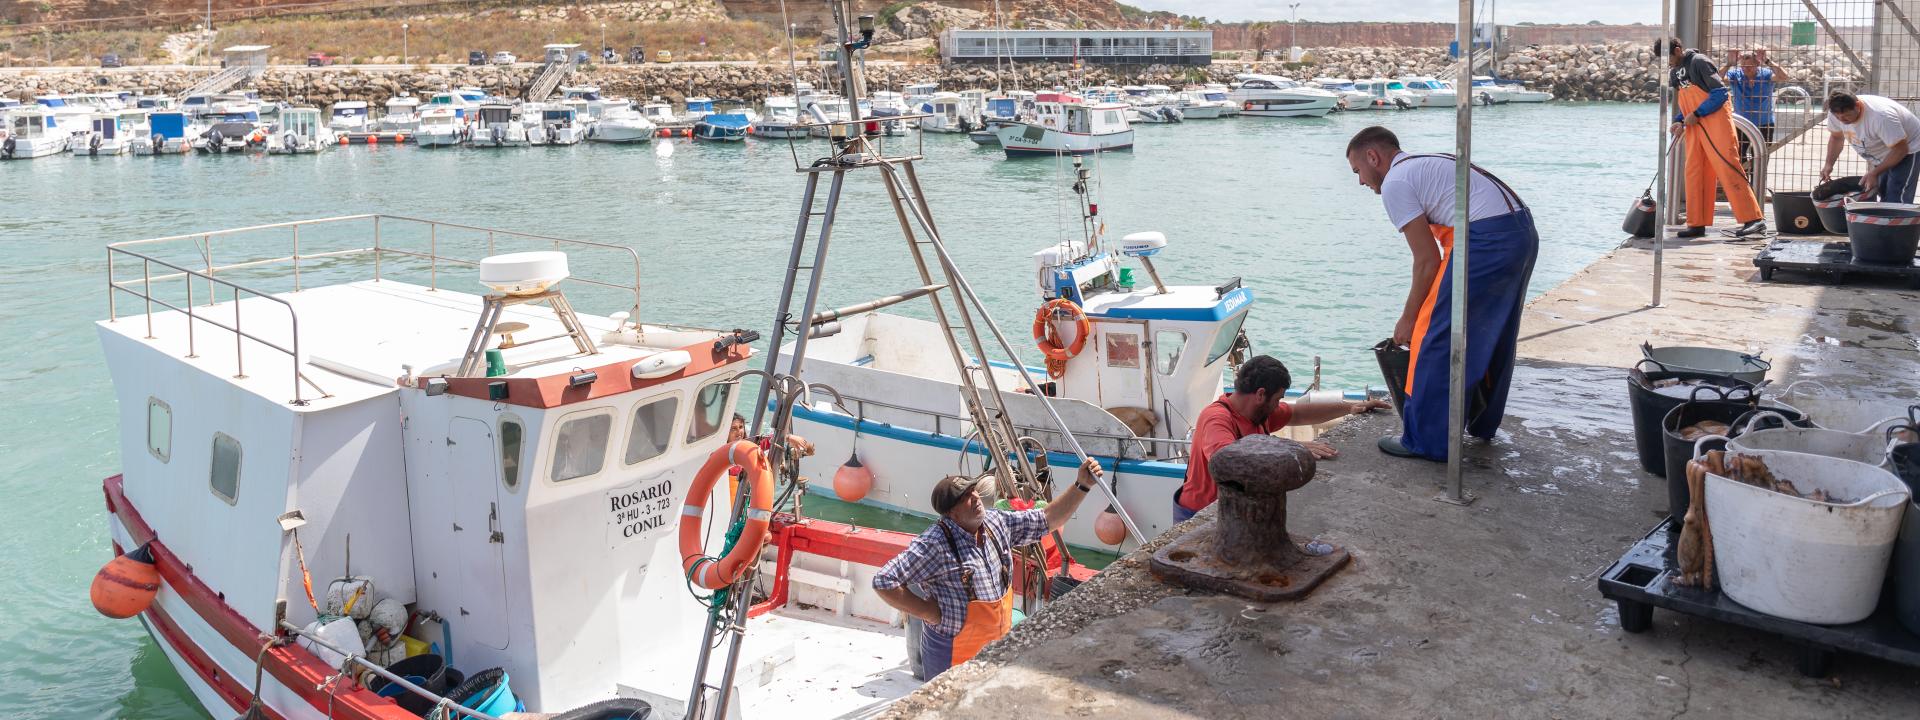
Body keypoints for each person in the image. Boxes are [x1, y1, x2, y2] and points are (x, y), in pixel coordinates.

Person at [1344, 126, 1540, 462]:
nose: (1361, 181)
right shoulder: (1424, 163)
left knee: (1435, 337)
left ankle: (1426, 442)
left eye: (1358, 170)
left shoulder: (1396, 182)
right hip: (1520, 232)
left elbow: (1426, 261)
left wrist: (1408, 318)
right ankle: (1480, 422)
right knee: (1491, 335)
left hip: (1485, 241)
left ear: (1373, 157)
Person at [872, 458, 1104, 679]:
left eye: (973, 490)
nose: (975, 497)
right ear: (951, 513)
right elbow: (884, 581)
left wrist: (1082, 485)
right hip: (952, 654)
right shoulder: (934, 544)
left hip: (996, 647)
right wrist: (928, 613)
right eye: (964, 497)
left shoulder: (997, 522)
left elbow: (1048, 518)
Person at [1173, 355, 1387, 523]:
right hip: (1199, 512)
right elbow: (1227, 462)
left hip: (1237, 507)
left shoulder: (1259, 412)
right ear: (1260, 395)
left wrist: (1349, 408)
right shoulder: (1216, 419)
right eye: (1278, 399)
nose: (1278, 405)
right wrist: (1292, 448)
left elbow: (1298, 414)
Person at [1660, 37, 1767, 238]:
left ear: (1676, 50)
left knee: (1728, 166)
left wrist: (1698, 113)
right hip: (1695, 126)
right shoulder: (1675, 73)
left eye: (1667, 57)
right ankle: (1696, 223)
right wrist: (1679, 120)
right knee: (1694, 171)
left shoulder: (1699, 62)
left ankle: (1754, 219)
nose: (1667, 62)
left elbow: (1720, 93)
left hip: (1716, 121)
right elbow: (1686, 102)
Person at [1820, 91, 1920, 204]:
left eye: (1847, 115)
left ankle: (1899, 218)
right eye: (1838, 117)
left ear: (1857, 106)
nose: (1842, 120)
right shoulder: (1836, 113)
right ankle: (1882, 219)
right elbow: (1836, 138)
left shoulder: (1881, 117)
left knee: (1896, 197)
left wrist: (1874, 173)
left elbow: (1901, 149)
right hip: (1883, 150)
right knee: (1883, 191)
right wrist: (1829, 164)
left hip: (1908, 148)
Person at [1722, 49, 1783, 168]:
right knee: (1739, 157)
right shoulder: (1736, 74)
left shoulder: (1765, 74)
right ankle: (1745, 184)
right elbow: (1717, 79)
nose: (1746, 68)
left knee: (1761, 158)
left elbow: (1784, 76)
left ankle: (1757, 185)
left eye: (1749, 65)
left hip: (1764, 123)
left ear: (1757, 64)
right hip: (1742, 123)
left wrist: (1767, 60)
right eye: (1743, 66)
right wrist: (1729, 63)